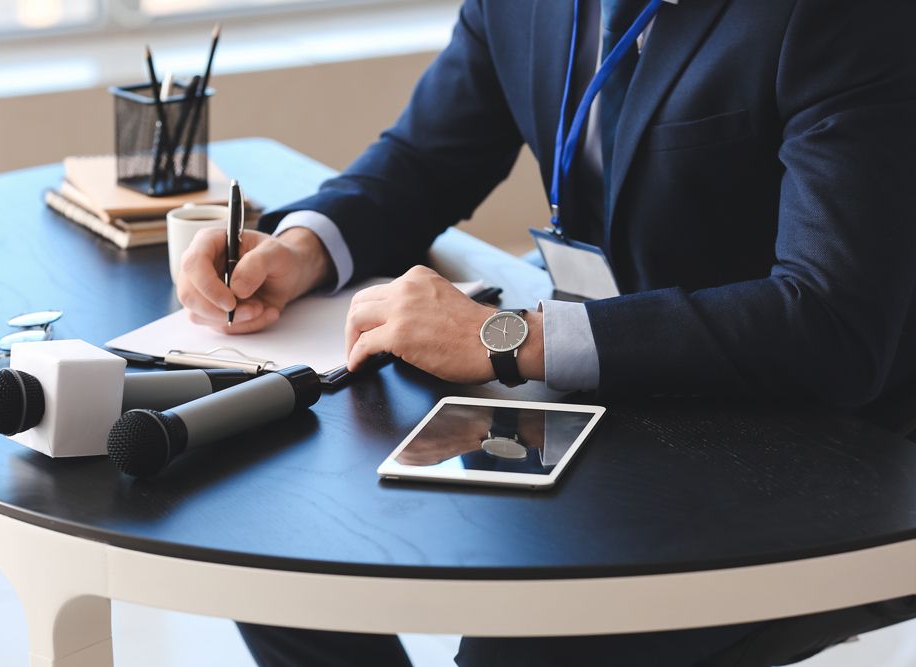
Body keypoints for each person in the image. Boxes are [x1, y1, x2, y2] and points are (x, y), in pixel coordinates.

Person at [176, 0, 916, 664]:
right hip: (621, 386)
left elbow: (832, 321)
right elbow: (426, 155)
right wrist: (304, 248)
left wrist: (511, 338)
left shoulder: (842, 15)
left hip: (822, 431)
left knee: (520, 647)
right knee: (284, 558)